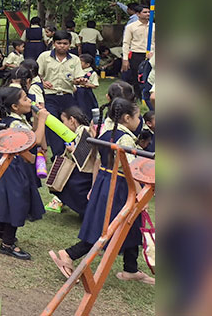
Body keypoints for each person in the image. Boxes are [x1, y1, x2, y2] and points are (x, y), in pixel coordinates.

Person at [50, 98, 154, 286]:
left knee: (130, 225)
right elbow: (131, 170)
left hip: (105, 183)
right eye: (138, 116)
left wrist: (94, 185)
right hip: (120, 186)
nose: (139, 120)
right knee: (106, 229)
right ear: (127, 117)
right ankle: (69, 254)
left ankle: (130, 269)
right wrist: (141, 196)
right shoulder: (126, 139)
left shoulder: (106, 133)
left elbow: (98, 162)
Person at [0, 86, 47, 260]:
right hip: (15, 168)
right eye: (26, 99)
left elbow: (33, 135)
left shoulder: (18, 119)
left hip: (16, 167)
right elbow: (37, 140)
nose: (30, 102)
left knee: (12, 200)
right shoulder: (15, 123)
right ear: (15, 106)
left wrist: (35, 119)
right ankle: (7, 244)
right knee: (17, 203)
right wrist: (42, 120)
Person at [37, 30, 83, 157]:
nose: (62, 46)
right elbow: (36, 74)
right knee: (53, 124)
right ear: (53, 43)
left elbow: (78, 77)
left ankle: (73, 150)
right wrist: (43, 82)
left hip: (67, 95)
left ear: (70, 44)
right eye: (59, 43)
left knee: (72, 123)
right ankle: (58, 154)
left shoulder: (75, 60)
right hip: (49, 95)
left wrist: (79, 80)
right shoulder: (44, 57)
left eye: (65, 43)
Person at [47, 105, 94, 218]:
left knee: (68, 185)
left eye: (64, 121)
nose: (63, 125)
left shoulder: (84, 130)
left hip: (86, 171)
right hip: (82, 168)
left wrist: (72, 149)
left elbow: (85, 155)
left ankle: (86, 213)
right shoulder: (80, 131)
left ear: (72, 120)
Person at [121, 4, 153, 99]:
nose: (148, 14)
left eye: (149, 12)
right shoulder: (131, 27)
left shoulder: (153, 26)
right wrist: (125, 59)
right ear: (138, 14)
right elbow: (126, 43)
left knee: (151, 76)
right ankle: (139, 96)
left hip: (152, 55)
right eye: (145, 12)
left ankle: (149, 95)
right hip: (137, 54)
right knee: (137, 77)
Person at [75, 54, 100, 120]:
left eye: (80, 62)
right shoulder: (77, 71)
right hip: (76, 92)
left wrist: (86, 84)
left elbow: (95, 85)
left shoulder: (92, 73)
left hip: (85, 93)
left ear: (87, 64)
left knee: (86, 108)